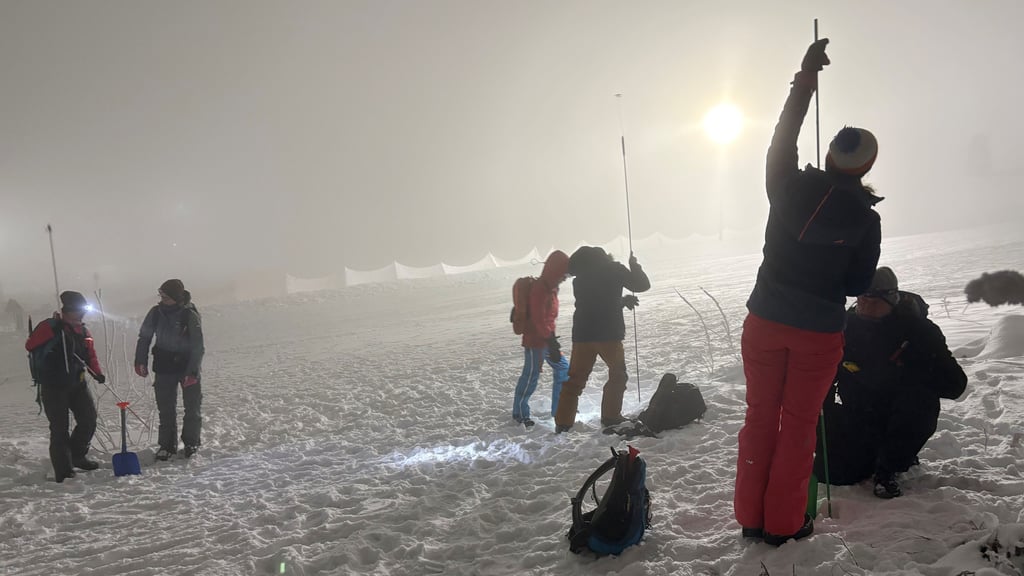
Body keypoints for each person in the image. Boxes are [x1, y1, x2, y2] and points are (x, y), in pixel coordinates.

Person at [733, 38, 883, 546]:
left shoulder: (785, 185)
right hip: (818, 333)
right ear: (864, 168)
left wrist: (805, 78)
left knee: (760, 419)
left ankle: (751, 518)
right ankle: (783, 524)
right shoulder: (866, 220)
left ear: (830, 155)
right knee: (798, 428)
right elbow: (860, 284)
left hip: (766, 322)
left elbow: (782, 135)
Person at [814, 267, 967, 498]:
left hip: (900, 415)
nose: (865, 305)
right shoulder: (845, 327)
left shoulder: (919, 331)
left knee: (920, 399)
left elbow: (956, 385)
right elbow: (823, 375)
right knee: (832, 475)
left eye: (873, 299)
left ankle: (890, 467)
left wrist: (915, 367)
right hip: (858, 415)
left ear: (891, 298)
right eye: (861, 298)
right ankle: (871, 456)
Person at [554, 247, 650, 433]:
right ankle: (611, 416)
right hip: (608, 335)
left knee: (574, 380)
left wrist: (621, 302)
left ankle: (563, 423)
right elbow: (642, 285)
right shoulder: (615, 270)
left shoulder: (579, 280)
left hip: (582, 335)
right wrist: (634, 266)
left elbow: (596, 302)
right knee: (617, 374)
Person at [25, 291, 105, 482]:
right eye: (78, 311)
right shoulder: (50, 326)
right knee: (60, 428)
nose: (81, 315)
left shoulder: (84, 332)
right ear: (68, 310)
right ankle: (64, 469)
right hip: (53, 386)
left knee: (89, 420)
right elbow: (30, 345)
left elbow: (90, 354)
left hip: (77, 382)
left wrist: (97, 372)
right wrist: (54, 329)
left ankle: (77, 455)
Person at [134, 279, 205, 460]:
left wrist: (193, 372)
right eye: (161, 296)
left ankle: (191, 443)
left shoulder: (189, 314)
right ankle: (166, 446)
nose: (162, 299)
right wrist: (140, 360)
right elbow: (144, 337)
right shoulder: (156, 313)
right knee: (165, 409)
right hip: (164, 366)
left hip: (186, 367)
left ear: (176, 297)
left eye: (166, 296)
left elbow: (198, 346)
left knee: (192, 408)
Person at [512, 250, 570, 427]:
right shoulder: (540, 289)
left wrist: (551, 340)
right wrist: (549, 340)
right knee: (530, 376)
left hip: (546, 340)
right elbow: (538, 318)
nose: (565, 278)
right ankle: (520, 413)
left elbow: (549, 318)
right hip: (535, 341)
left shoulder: (551, 288)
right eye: (563, 274)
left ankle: (559, 409)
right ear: (555, 271)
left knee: (563, 368)